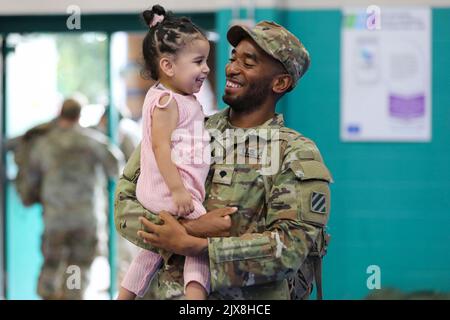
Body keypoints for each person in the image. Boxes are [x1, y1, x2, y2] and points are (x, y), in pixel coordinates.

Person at [115, 20, 333, 300]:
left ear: (279, 82)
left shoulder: (295, 152)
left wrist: (196, 246)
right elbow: (124, 206)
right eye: (233, 58)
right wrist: (189, 230)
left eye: (248, 62)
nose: (231, 68)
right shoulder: (184, 125)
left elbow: (289, 249)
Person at [117, 5, 212, 300]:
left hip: (169, 190)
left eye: (206, 61)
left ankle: (125, 295)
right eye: (198, 62)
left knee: (149, 253)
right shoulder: (167, 101)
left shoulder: (177, 97)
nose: (206, 69)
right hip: (170, 192)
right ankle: (196, 297)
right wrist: (178, 191)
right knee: (202, 238)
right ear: (169, 66)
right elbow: (160, 146)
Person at [26, 98, 124, 299]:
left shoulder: (44, 145)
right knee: (77, 267)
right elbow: (117, 167)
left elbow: (30, 181)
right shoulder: (93, 141)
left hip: (55, 219)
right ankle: (73, 295)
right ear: (79, 116)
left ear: (60, 113)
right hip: (85, 218)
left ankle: (50, 294)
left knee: (52, 265)